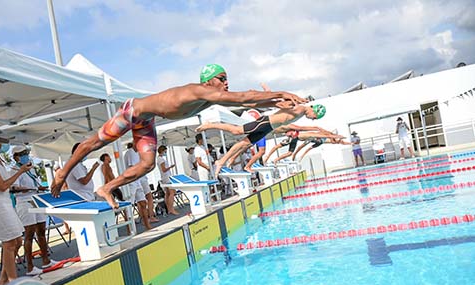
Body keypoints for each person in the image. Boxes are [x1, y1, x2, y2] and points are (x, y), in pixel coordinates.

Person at [51, 64, 306, 208]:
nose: (227, 83)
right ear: (209, 81)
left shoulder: (209, 98)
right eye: (222, 78)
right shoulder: (199, 91)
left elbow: (245, 99)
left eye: (228, 78)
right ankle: (63, 172)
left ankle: (107, 188)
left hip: (146, 120)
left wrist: (277, 102)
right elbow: (241, 97)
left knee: (147, 164)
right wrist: (280, 93)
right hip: (132, 111)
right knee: (96, 142)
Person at [197, 107, 328, 177]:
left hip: (268, 128)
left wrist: (316, 128)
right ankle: (210, 125)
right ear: (313, 110)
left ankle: (221, 161)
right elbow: (283, 106)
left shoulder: (301, 112)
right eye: (314, 117)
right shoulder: (300, 109)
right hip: (265, 122)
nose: (312, 119)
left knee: (244, 143)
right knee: (237, 131)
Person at [0, 129, 33, 285]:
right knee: (10, 244)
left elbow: (6, 186)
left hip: (5, 204)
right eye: (4, 142)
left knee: (17, 241)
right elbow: (2, 186)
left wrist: (18, 183)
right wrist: (21, 172)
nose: (7, 145)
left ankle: (3, 280)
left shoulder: (1, 161)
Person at [11, 146, 57, 276]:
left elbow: (34, 185)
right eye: (22, 154)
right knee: (29, 235)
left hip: (36, 200)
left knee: (41, 231)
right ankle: (30, 267)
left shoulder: (30, 169)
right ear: (16, 157)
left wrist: (39, 188)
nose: (26, 155)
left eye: (27, 153)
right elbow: (13, 188)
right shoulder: (14, 171)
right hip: (24, 203)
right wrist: (27, 189)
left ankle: (46, 260)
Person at [124, 143, 152, 230]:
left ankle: (147, 225)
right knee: (129, 206)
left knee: (143, 203)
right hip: (131, 182)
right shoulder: (130, 152)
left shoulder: (137, 154)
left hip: (137, 181)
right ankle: (130, 229)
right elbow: (132, 167)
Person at [99, 153, 128, 221]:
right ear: (106, 158)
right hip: (112, 187)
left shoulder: (107, 166)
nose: (110, 158)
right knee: (122, 203)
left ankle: (123, 218)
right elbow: (106, 177)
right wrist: (106, 188)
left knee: (119, 202)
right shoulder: (105, 166)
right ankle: (125, 219)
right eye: (108, 157)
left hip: (113, 186)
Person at [156, 145, 179, 215]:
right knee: (172, 193)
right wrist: (170, 167)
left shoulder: (159, 158)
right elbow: (164, 169)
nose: (166, 152)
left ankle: (169, 209)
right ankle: (171, 209)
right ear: (162, 151)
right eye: (165, 151)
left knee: (167, 193)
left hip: (164, 177)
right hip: (167, 177)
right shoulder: (161, 159)